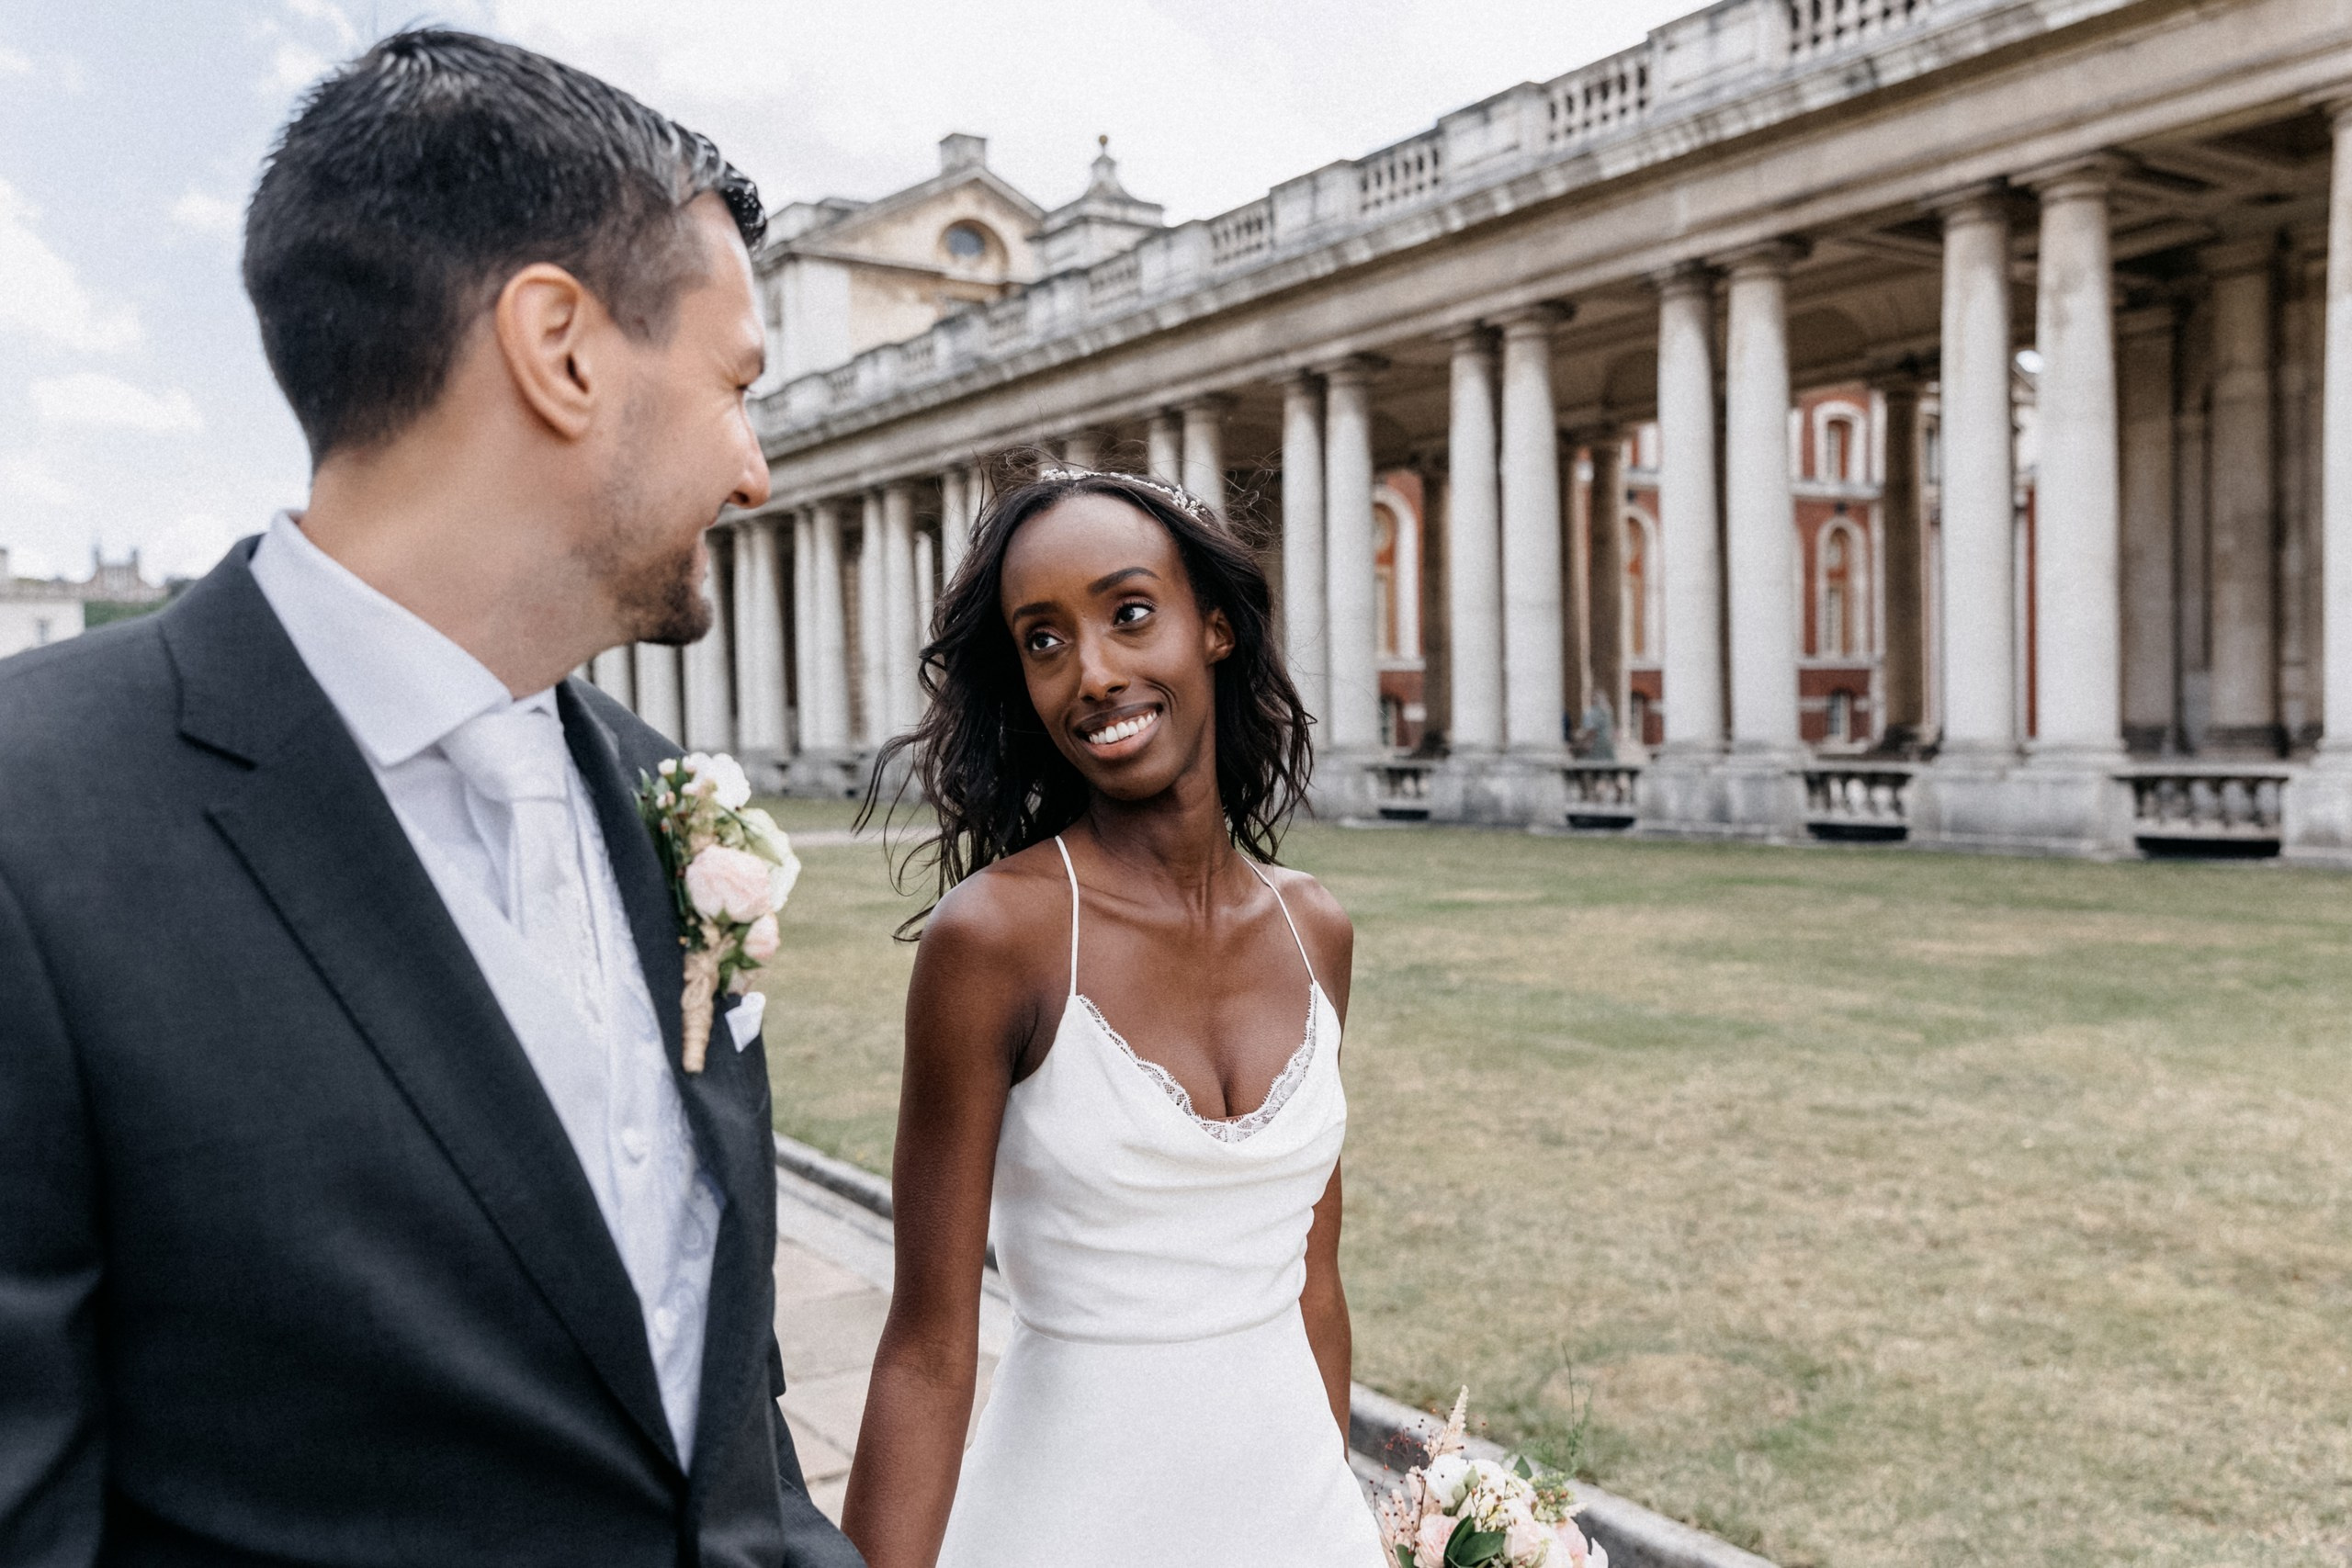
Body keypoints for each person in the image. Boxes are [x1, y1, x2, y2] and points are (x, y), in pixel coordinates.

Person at [0, 31, 860, 1568]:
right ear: (562, 347)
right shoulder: (33, 825)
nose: (759, 471)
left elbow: (719, 1397)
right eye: (738, 384)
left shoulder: (669, 802)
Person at [840, 470, 1387, 1566]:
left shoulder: (1312, 928)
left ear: (1215, 627)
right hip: (1066, 1526)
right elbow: (928, 1351)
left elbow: (1311, 1287)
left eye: (1128, 613)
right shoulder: (995, 940)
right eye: (1044, 642)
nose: (1092, 673)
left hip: (1298, 1523)